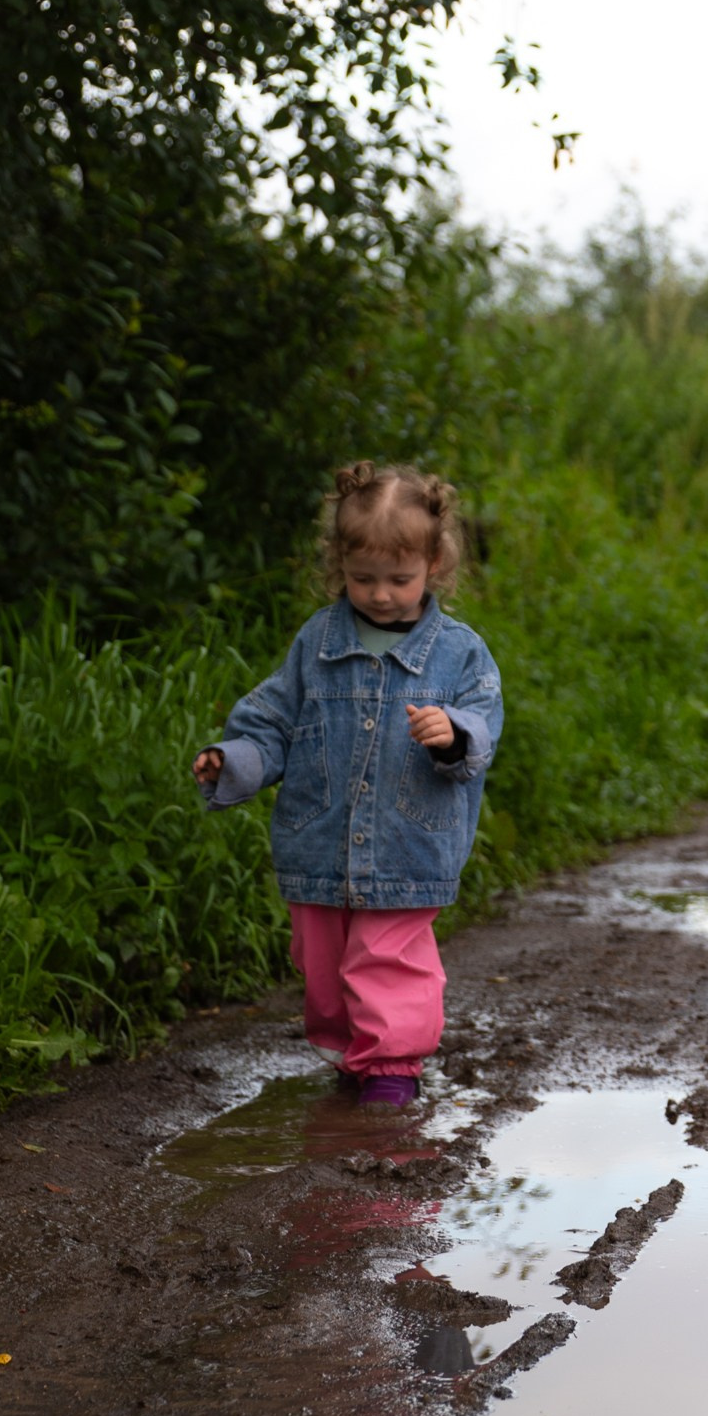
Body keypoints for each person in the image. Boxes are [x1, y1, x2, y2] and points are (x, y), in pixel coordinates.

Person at [193, 462, 502, 1106]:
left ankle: (390, 1070)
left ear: (435, 566)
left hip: (408, 845)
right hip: (320, 842)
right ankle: (356, 1054)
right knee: (324, 968)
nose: (382, 594)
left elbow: (482, 723)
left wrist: (454, 733)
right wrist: (235, 759)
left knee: (387, 959)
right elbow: (272, 721)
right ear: (339, 564)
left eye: (400, 579)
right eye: (363, 578)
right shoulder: (318, 642)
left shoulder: (460, 653)